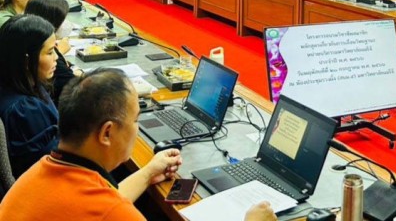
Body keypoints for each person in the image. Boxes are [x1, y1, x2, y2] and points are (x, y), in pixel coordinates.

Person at [0, 66, 279, 221]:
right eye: (135, 120)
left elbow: (104, 199)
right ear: (107, 133)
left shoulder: (41, 172)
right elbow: (108, 208)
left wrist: (147, 173)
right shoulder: (111, 212)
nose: (138, 128)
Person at [0, 14, 59, 177]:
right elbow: (50, 165)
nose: (56, 58)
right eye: (50, 52)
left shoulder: (19, 83)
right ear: (27, 60)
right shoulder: (24, 110)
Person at [25, 0, 82, 104]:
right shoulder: (49, 58)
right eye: (63, 20)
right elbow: (74, 88)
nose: (55, 57)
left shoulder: (26, 38)